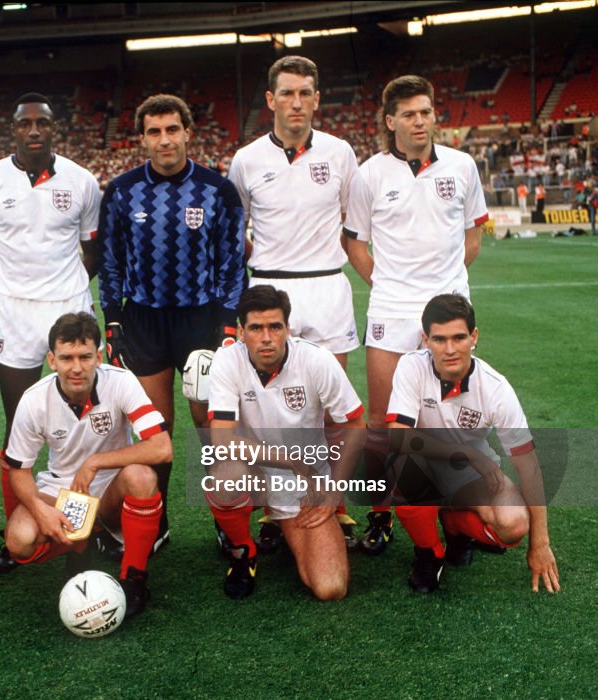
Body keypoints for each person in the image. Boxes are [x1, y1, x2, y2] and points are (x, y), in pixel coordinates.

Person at [344, 75, 488, 555]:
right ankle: (382, 515)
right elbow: (354, 243)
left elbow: (472, 238)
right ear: (391, 121)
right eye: (409, 114)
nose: (420, 120)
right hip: (391, 309)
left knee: (447, 421)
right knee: (387, 424)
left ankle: (453, 519)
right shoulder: (369, 174)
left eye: (426, 111)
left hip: (445, 311)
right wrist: (387, 285)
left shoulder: (463, 165)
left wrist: (441, 292)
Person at [97, 93, 246, 551]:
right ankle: (154, 521)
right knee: (156, 428)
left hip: (201, 321)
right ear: (142, 138)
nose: (165, 140)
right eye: (155, 132)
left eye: (172, 129)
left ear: (187, 132)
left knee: (212, 426)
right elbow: (110, 261)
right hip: (143, 322)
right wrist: (113, 320)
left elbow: (233, 261)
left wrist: (226, 322)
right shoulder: (121, 192)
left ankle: (228, 521)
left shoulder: (217, 190)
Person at [227, 54, 361, 552]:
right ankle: (272, 512)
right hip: (269, 292)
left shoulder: (341, 153)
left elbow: (352, 222)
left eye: (306, 93)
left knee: (329, 410)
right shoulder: (246, 160)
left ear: (318, 99)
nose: (297, 102)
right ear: (270, 100)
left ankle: (335, 507)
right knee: (266, 412)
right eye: (287, 93)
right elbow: (236, 232)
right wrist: (264, 264)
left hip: (326, 287)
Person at [0, 93, 100, 573]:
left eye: (44, 122)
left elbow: (94, 249)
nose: (35, 130)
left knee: (88, 418)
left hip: (69, 309)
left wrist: (65, 288)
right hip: (16, 314)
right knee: (17, 421)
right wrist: (14, 288)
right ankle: (17, 529)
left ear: (55, 128)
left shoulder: (82, 181)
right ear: (14, 129)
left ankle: (87, 526)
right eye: (26, 123)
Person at [385, 294, 559, 594]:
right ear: (425, 339)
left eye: (459, 338)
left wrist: (540, 543)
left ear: (474, 336)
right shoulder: (411, 367)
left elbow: (527, 465)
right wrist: (463, 451)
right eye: (439, 339)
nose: (450, 349)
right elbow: (399, 436)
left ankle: (454, 526)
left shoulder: (495, 388)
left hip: (468, 467)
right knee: (404, 463)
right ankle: (429, 553)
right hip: (422, 457)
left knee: (514, 524)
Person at [4, 312, 171, 617]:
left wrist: (96, 462)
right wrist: (42, 511)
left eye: (84, 356)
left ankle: (134, 577)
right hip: (61, 490)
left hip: (112, 490)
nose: (77, 367)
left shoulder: (120, 382)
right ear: (52, 361)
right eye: (67, 358)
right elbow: (19, 471)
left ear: (99, 355)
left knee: (142, 477)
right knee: (19, 541)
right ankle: (80, 545)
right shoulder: (33, 400)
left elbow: (162, 447)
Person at [204, 286, 365, 600]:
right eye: (255, 328)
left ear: (287, 329)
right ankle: (243, 550)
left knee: (330, 587)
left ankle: (287, 526)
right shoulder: (226, 360)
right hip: (258, 471)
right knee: (225, 476)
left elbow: (357, 426)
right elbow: (222, 439)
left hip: (306, 483)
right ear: (240, 332)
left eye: (274, 327)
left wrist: (334, 493)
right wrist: (291, 461)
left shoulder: (317, 361)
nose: (266, 337)